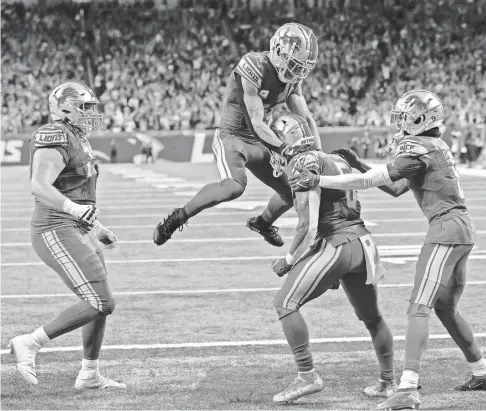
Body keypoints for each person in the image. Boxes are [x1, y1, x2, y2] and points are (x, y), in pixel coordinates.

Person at [289, 90, 486, 410]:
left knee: (419, 306)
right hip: (459, 228)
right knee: (445, 309)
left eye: (407, 116)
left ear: (422, 119)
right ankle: (482, 372)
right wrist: (359, 163)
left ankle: (408, 388)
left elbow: (370, 182)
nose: (401, 122)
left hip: (447, 228)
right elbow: (398, 187)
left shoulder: (420, 145)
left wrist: (321, 180)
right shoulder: (433, 145)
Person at [152, 23, 321, 247]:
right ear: (279, 51)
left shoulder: (292, 81)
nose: (295, 73)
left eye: (301, 68)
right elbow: (256, 122)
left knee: (293, 188)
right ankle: (176, 218)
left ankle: (262, 223)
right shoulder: (254, 65)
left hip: (261, 142)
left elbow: (307, 118)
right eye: (293, 64)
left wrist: (319, 154)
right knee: (233, 186)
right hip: (233, 136)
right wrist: (283, 149)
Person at [269, 114, 400, 403]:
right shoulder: (332, 158)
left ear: (288, 140)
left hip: (337, 242)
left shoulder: (303, 162)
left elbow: (308, 225)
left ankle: (307, 376)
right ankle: (388, 382)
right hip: (362, 243)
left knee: (285, 303)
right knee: (373, 318)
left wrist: (290, 260)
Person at [8, 82, 125, 390]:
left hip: (77, 227)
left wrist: (97, 227)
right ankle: (30, 343)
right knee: (102, 301)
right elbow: (40, 185)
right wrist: (74, 211)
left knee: (97, 302)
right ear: (65, 108)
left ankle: (89, 374)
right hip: (55, 226)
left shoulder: (77, 137)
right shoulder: (55, 133)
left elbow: (78, 191)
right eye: (85, 107)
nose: (91, 113)